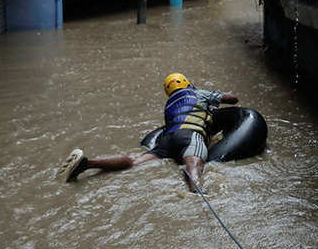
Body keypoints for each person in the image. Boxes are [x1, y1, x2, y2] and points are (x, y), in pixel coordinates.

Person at [60, 73, 239, 191]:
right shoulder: (198, 93)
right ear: (186, 83)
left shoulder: (169, 104)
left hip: (167, 140)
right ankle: (197, 195)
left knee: (134, 162)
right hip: (190, 135)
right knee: (194, 165)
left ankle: (87, 163)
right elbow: (233, 99)